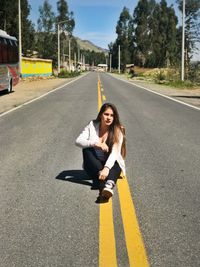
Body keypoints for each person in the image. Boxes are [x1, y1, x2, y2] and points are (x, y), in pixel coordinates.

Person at [75, 103, 126, 201]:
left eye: (112, 115)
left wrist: (106, 168)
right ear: (100, 115)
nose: (109, 118)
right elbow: (78, 141)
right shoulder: (92, 125)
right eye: (106, 114)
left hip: (110, 164)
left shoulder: (118, 130)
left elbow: (115, 153)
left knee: (117, 162)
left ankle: (108, 186)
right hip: (94, 166)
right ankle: (102, 177)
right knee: (86, 148)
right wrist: (96, 143)